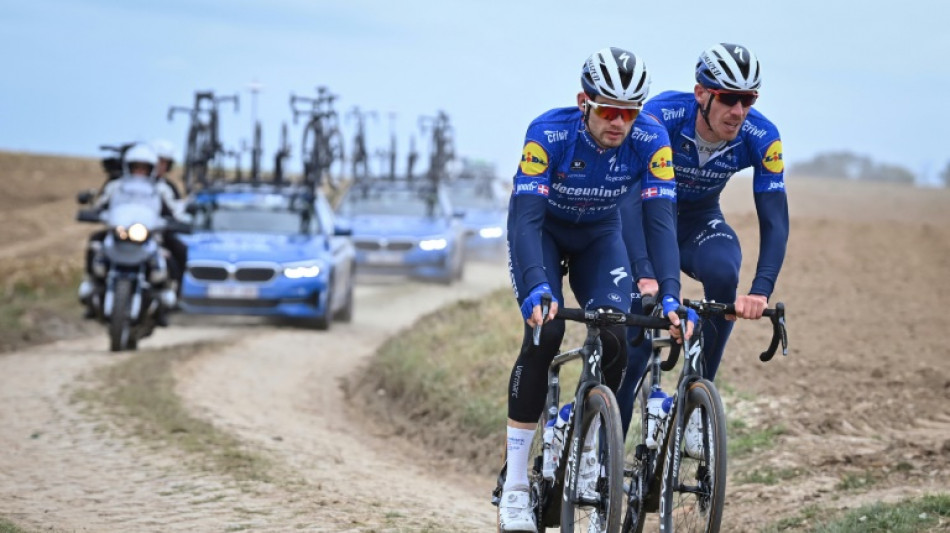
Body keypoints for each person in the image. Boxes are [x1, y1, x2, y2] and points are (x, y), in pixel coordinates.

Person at [497, 46, 692, 533]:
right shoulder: (548, 133)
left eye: (629, 111)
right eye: (608, 109)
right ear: (584, 101)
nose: (619, 122)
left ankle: (586, 443)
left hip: (600, 236)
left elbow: (661, 221)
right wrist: (538, 288)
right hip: (542, 231)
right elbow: (525, 219)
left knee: (615, 333)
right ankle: (517, 486)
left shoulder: (651, 139)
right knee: (544, 335)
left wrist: (671, 292)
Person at [617, 43, 789, 450]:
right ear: (701, 94)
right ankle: (601, 458)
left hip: (697, 222)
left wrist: (761, 290)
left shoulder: (762, 137)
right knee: (637, 348)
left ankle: (695, 401)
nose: (738, 111)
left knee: (723, 273)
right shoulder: (660, 116)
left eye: (747, 100)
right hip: (640, 220)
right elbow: (626, 196)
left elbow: (775, 219)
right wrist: (646, 274)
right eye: (729, 99)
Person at [77, 143, 181, 326]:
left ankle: (168, 297)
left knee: (171, 254)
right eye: (136, 167)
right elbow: (102, 204)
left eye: (144, 168)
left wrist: (175, 221)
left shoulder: (160, 189)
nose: (139, 171)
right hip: (120, 231)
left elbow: (172, 212)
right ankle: (93, 283)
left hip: (147, 234)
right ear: (128, 167)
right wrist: (93, 213)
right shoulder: (116, 186)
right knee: (95, 244)